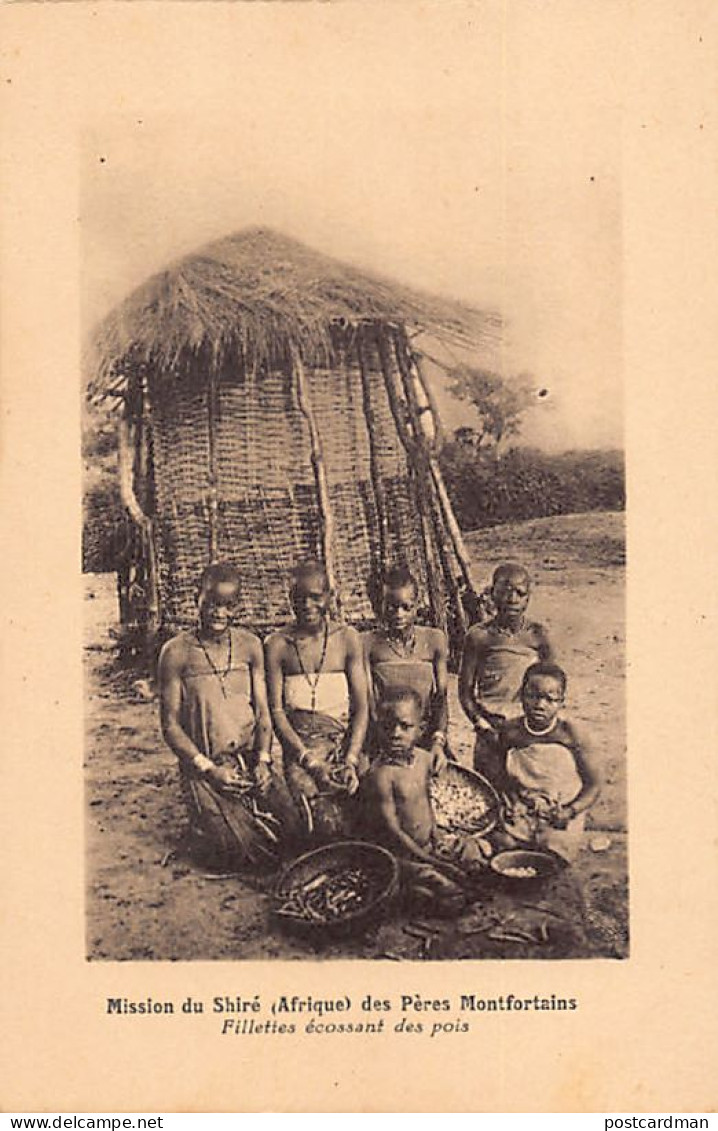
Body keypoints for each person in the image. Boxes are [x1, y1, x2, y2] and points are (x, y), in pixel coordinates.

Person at [158, 563, 276, 871]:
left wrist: (263, 760)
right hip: (207, 766)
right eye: (211, 603)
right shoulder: (175, 652)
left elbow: (263, 712)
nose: (218, 613)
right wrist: (209, 770)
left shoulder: (251, 646)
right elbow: (170, 726)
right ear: (196, 598)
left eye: (227, 605)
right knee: (240, 851)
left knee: (294, 831)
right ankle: (207, 822)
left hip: (249, 762)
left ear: (238, 606)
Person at [264, 560, 369, 838]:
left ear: (330, 598)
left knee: (368, 805)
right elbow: (275, 711)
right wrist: (308, 761)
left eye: (315, 597)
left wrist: (351, 759)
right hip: (301, 750)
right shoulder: (276, 645)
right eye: (299, 598)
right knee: (317, 818)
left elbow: (361, 708)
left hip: (343, 743)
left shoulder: (347, 638)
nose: (307, 605)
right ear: (289, 600)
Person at [360, 686, 467, 916]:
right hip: (399, 854)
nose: (395, 734)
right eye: (387, 727)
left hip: (427, 847)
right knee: (445, 889)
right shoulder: (381, 775)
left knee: (472, 863)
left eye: (405, 726)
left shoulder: (424, 760)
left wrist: (436, 834)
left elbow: (427, 802)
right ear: (379, 728)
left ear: (422, 729)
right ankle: (408, 892)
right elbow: (393, 831)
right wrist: (432, 861)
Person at [459, 562, 554, 784]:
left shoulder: (538, 635)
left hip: (527, 727)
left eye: (520, 592)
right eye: (504, 591)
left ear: (528, 597)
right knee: (489, 789)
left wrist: (541, 726)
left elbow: (552, 685)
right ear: (492, 594)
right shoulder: (479, 636)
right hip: (491, 728)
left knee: (527, 792)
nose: (512, 599)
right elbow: (464, 692)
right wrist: (481, 724)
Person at [496, 662, 600, 862]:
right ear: (521, 695)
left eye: (550, 699)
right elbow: (501, 776)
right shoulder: (510, 731)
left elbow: (594, 786)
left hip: (561, 813)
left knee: (552, 856)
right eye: (532, 696)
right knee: (503, 846)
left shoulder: (571, 734)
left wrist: (570, 811)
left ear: (561, 702)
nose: (540, 705)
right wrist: (513, 801)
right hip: (524, 811)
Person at [363, 564, 449, 773]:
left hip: (426, 735)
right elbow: (368, 703)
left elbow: (441, 698)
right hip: (385, 737)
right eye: (391, 607)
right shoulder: (367, 644)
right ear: (380, 605)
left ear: (417, 605)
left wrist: (438, 741)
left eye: (406, 607)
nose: (398, 614)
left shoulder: (435, 639)